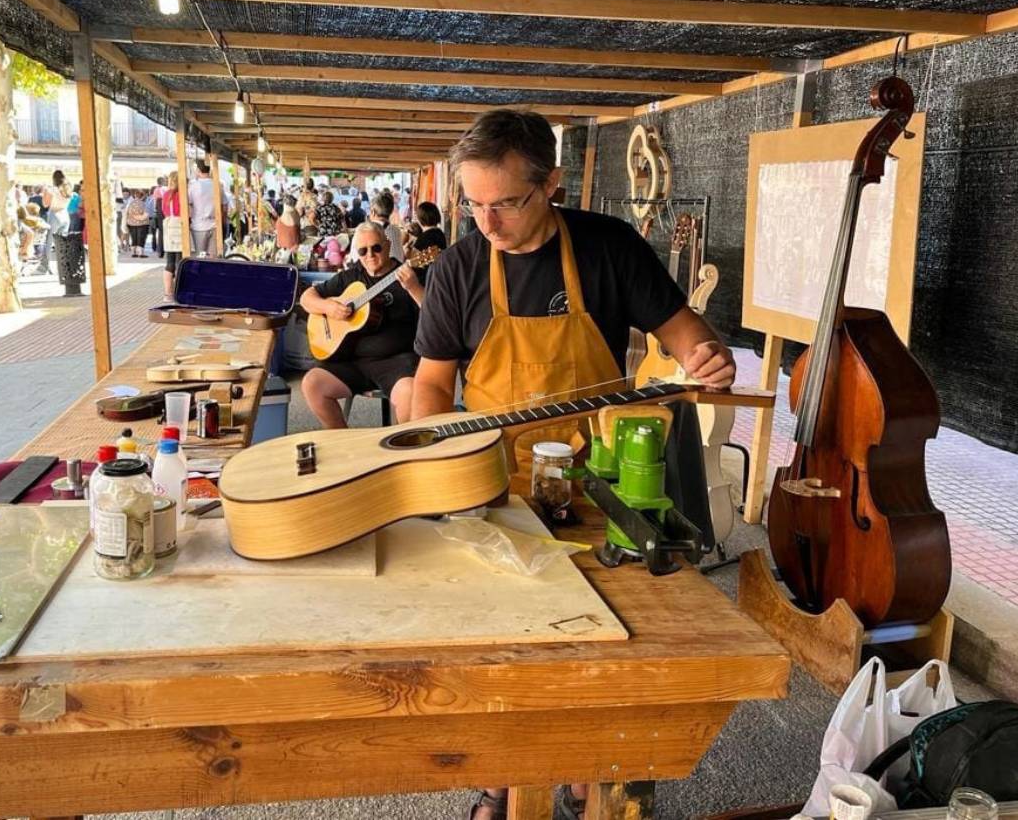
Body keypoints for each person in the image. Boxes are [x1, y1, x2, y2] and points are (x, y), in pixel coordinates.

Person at [410, 112, 737, 820]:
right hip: (490, 481)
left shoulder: (609, 248)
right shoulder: (463, 266)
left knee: (604, 638)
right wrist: (434, 453)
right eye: (473, 203)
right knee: (499, 645)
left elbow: (688, 338)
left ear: (551, 184)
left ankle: (591, 769)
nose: (487, 221)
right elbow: (434, 382)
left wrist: (708, 357)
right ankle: (500, 780)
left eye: (506, 202)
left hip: (599, 479)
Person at [298, 222, 425, 429]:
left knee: (410, 393)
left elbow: (434, 315)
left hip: (396, 362)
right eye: (363, 251)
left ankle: (403, 450)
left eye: (376, 248)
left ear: (387, 244)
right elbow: (306, 298)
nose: (370, 255)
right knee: (312, 384)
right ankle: (344, 441)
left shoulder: (410, 274)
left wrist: (414, 288)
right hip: (351, 361)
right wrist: (328, 307)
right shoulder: (352, 276)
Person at [348, 191, 404, 264]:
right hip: (396, 271)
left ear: (373, 212)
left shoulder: (363, 231)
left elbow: (354, 258)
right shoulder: (396, 230)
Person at [38, 170, 72, 275]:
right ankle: (64, 267)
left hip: (55, 214)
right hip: (65, 215)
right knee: (62, 243)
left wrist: (44, 194)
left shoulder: (51, 190)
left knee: (49, 242)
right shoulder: (67, 189)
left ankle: (45, 267)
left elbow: (45, 204)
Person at [187, 159, 219, 256]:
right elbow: (224, 204)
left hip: (198, 225)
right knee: (212, 256)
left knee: (200, 256)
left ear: (197, 170)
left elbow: (188, 204)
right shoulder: (217, 185)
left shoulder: (193, 186)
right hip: (214, 224)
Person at [160, 171, 183, 300]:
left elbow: (163, 211)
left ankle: (167, 293)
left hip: (168, 226)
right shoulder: (182, 194)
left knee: (170, 261)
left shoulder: (166, 194)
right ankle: (179, 291)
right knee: (181, 260)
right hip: (180, 226)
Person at [124, 188, 151, 257]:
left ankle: (134, 252)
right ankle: (141, 253)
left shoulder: (130, 203)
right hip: (142, 223)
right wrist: (140, 218)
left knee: (134, 238)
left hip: (131, 223)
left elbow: (127, 213)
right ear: (142, 196)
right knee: (141, 238)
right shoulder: (144, 204)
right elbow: (146, 214)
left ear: (135, 195)